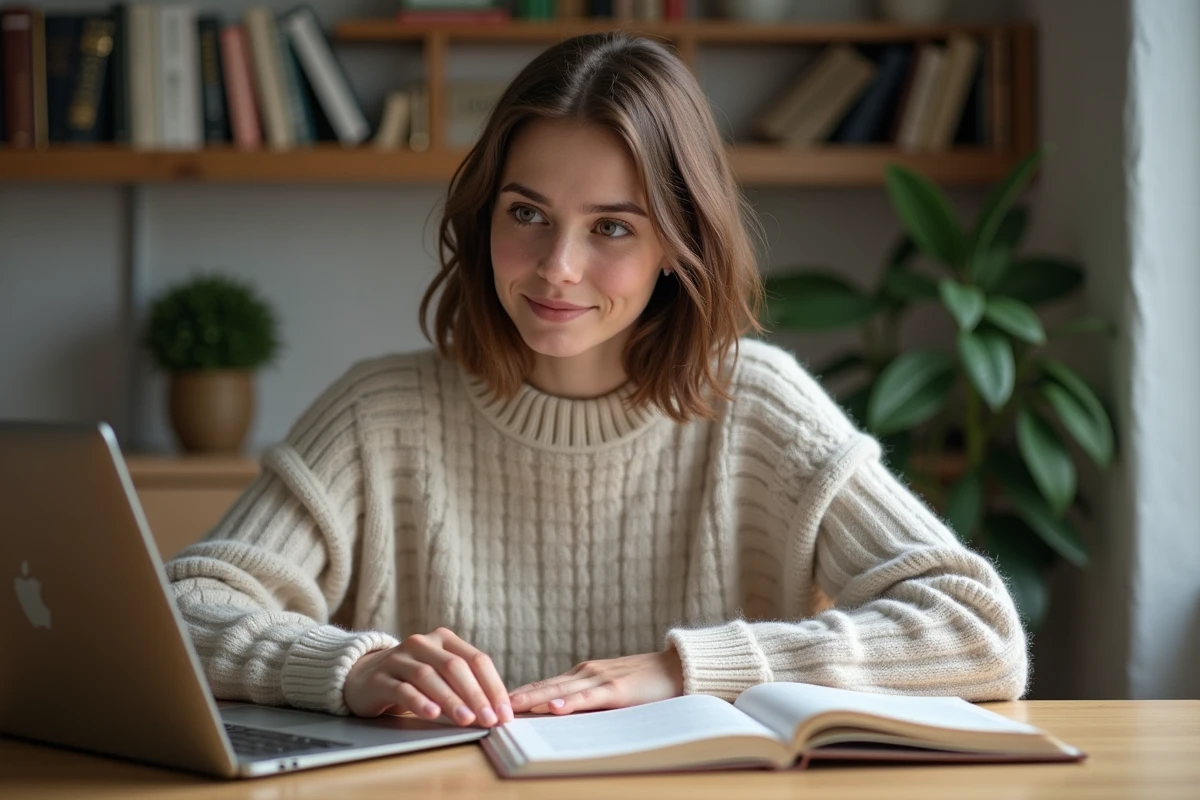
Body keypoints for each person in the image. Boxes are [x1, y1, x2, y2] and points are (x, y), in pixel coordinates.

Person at [166, 32, 1027, 731]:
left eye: (612, 227)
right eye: (527, 214)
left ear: (676, 248)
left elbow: (977, 632)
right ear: (486, 216)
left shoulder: (758, 405)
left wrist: (684, 670)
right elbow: (177, 613)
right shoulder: (378, 413)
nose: (557, 268)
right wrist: (347, 669)